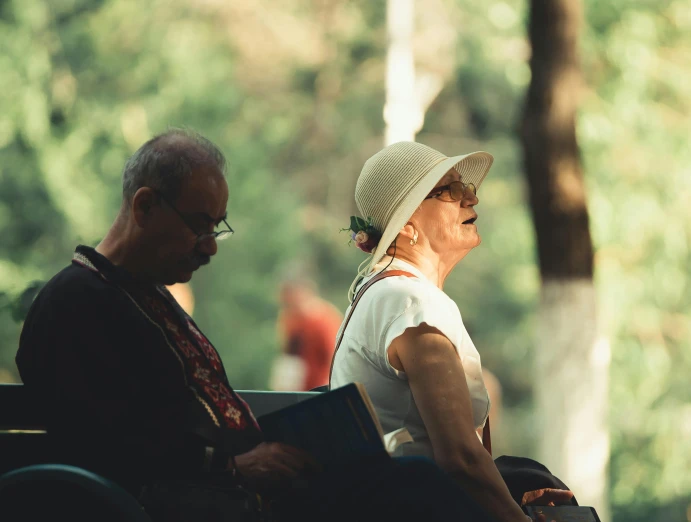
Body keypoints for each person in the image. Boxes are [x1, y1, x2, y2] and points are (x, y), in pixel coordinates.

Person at [15, 129, 510, 522]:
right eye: (199, 225)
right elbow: (103, 443)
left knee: (457, 480)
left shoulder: (145, 297)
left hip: (248, 494)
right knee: (416, 485)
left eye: (216, 228)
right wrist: (231, 466)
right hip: (202, 504)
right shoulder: (77, 303)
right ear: (144, 206)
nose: (209, 246)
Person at [330, 141, 575, 522]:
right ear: (407, 225)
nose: (471, 201)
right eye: (450, 191)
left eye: (467, 189)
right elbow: (459, 458)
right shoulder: (411, 302)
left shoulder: (388, 293)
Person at [270, 279, 342, 391]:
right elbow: (289, 356)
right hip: (299, 389)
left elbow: (334, 358)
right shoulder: (289, 319)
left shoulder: (324, 319)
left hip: (322, 388)